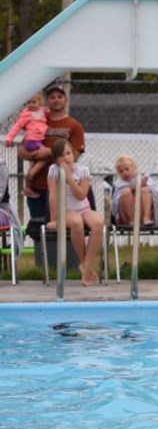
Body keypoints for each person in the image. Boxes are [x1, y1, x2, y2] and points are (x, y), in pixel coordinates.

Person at [17, 84, 85, 219]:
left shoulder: (74, 125)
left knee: (60, 228)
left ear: (66, 100)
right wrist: (35, 154)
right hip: (37, 185)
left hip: (62, 186)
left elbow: (75, 156)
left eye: (60, 96)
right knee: (38, 227)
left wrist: (49, 152)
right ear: (47, 101)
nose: (56, 100)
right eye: (52, 97)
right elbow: (21, 151)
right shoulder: (38, 121)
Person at [46, 139, 104, 286]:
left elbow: (81, 195)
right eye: (61, 155)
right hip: (65, 209)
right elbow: (53, 195)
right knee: (77, 222)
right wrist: (54, 219)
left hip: (83, 206)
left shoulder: (83, 170)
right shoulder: (53, 170)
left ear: (74, 154)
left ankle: (86, 265)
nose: (66, 158)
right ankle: (84, 265)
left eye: (68, 153)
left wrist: (70, 178)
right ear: (56, 159)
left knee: (98, 223)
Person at [4, 92, 48, 197]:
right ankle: (30, 175)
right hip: (32, 141)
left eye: (34, 102)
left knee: (33, 161)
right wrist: (10, 138)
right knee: (46, 156)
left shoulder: (41, 111)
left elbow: (47, 112)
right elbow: (17, 126)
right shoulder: (26, 114)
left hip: (37, 140)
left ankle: (27, 187)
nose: (31, 104)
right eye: (29, 102)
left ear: (39, 103)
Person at [111, 155, 158, 226]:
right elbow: (115, 203)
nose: (124, 172)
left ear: (134, 168)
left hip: (142, 212)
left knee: (145, 190)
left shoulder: (144, 179)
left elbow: (155, 195)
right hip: (126, 216)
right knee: (126, 192)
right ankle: (131, 220)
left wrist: (143, 184)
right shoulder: (118, 184)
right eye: (121, 171)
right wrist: (136, 185)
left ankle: (146, 218)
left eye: (127, 169)